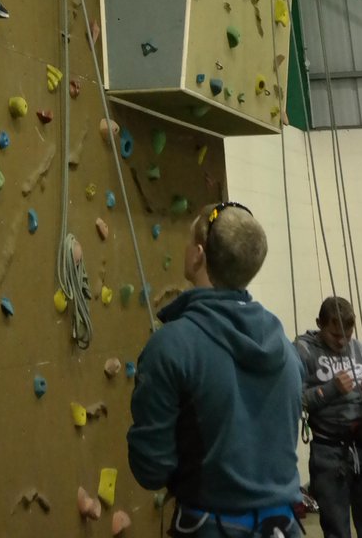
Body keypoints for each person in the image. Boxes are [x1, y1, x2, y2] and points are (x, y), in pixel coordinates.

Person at [127, 201, 303, 538]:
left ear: (197, 255)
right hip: (283, 527)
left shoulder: (173, 345)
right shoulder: (283, 344)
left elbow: (151, 469)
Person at [295, 297, 362, 538]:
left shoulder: (359, 349)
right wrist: (329, 390)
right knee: (337, 528)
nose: (342, 342)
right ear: (320, 324)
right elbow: (296, 400)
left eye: (347, 335)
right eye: (335, 335)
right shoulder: (304, 351)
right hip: (328, 450)